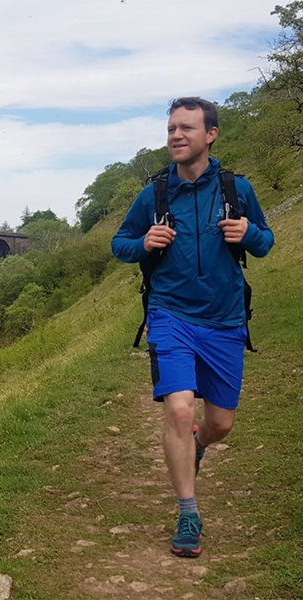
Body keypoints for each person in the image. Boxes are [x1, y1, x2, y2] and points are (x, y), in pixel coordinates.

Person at [111, 97, 274, 558]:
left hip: (224, 320)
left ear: (211, 134)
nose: (176, 136)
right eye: (170, 129)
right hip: (170, 315)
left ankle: (199, 444)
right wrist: (143, 242)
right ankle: (188, 512)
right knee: (179, 410)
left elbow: (265, 242)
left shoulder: (236, 189)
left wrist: (250, 235)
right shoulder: (155, 194)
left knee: (220, 423)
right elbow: (120, 244)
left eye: (186, 128)